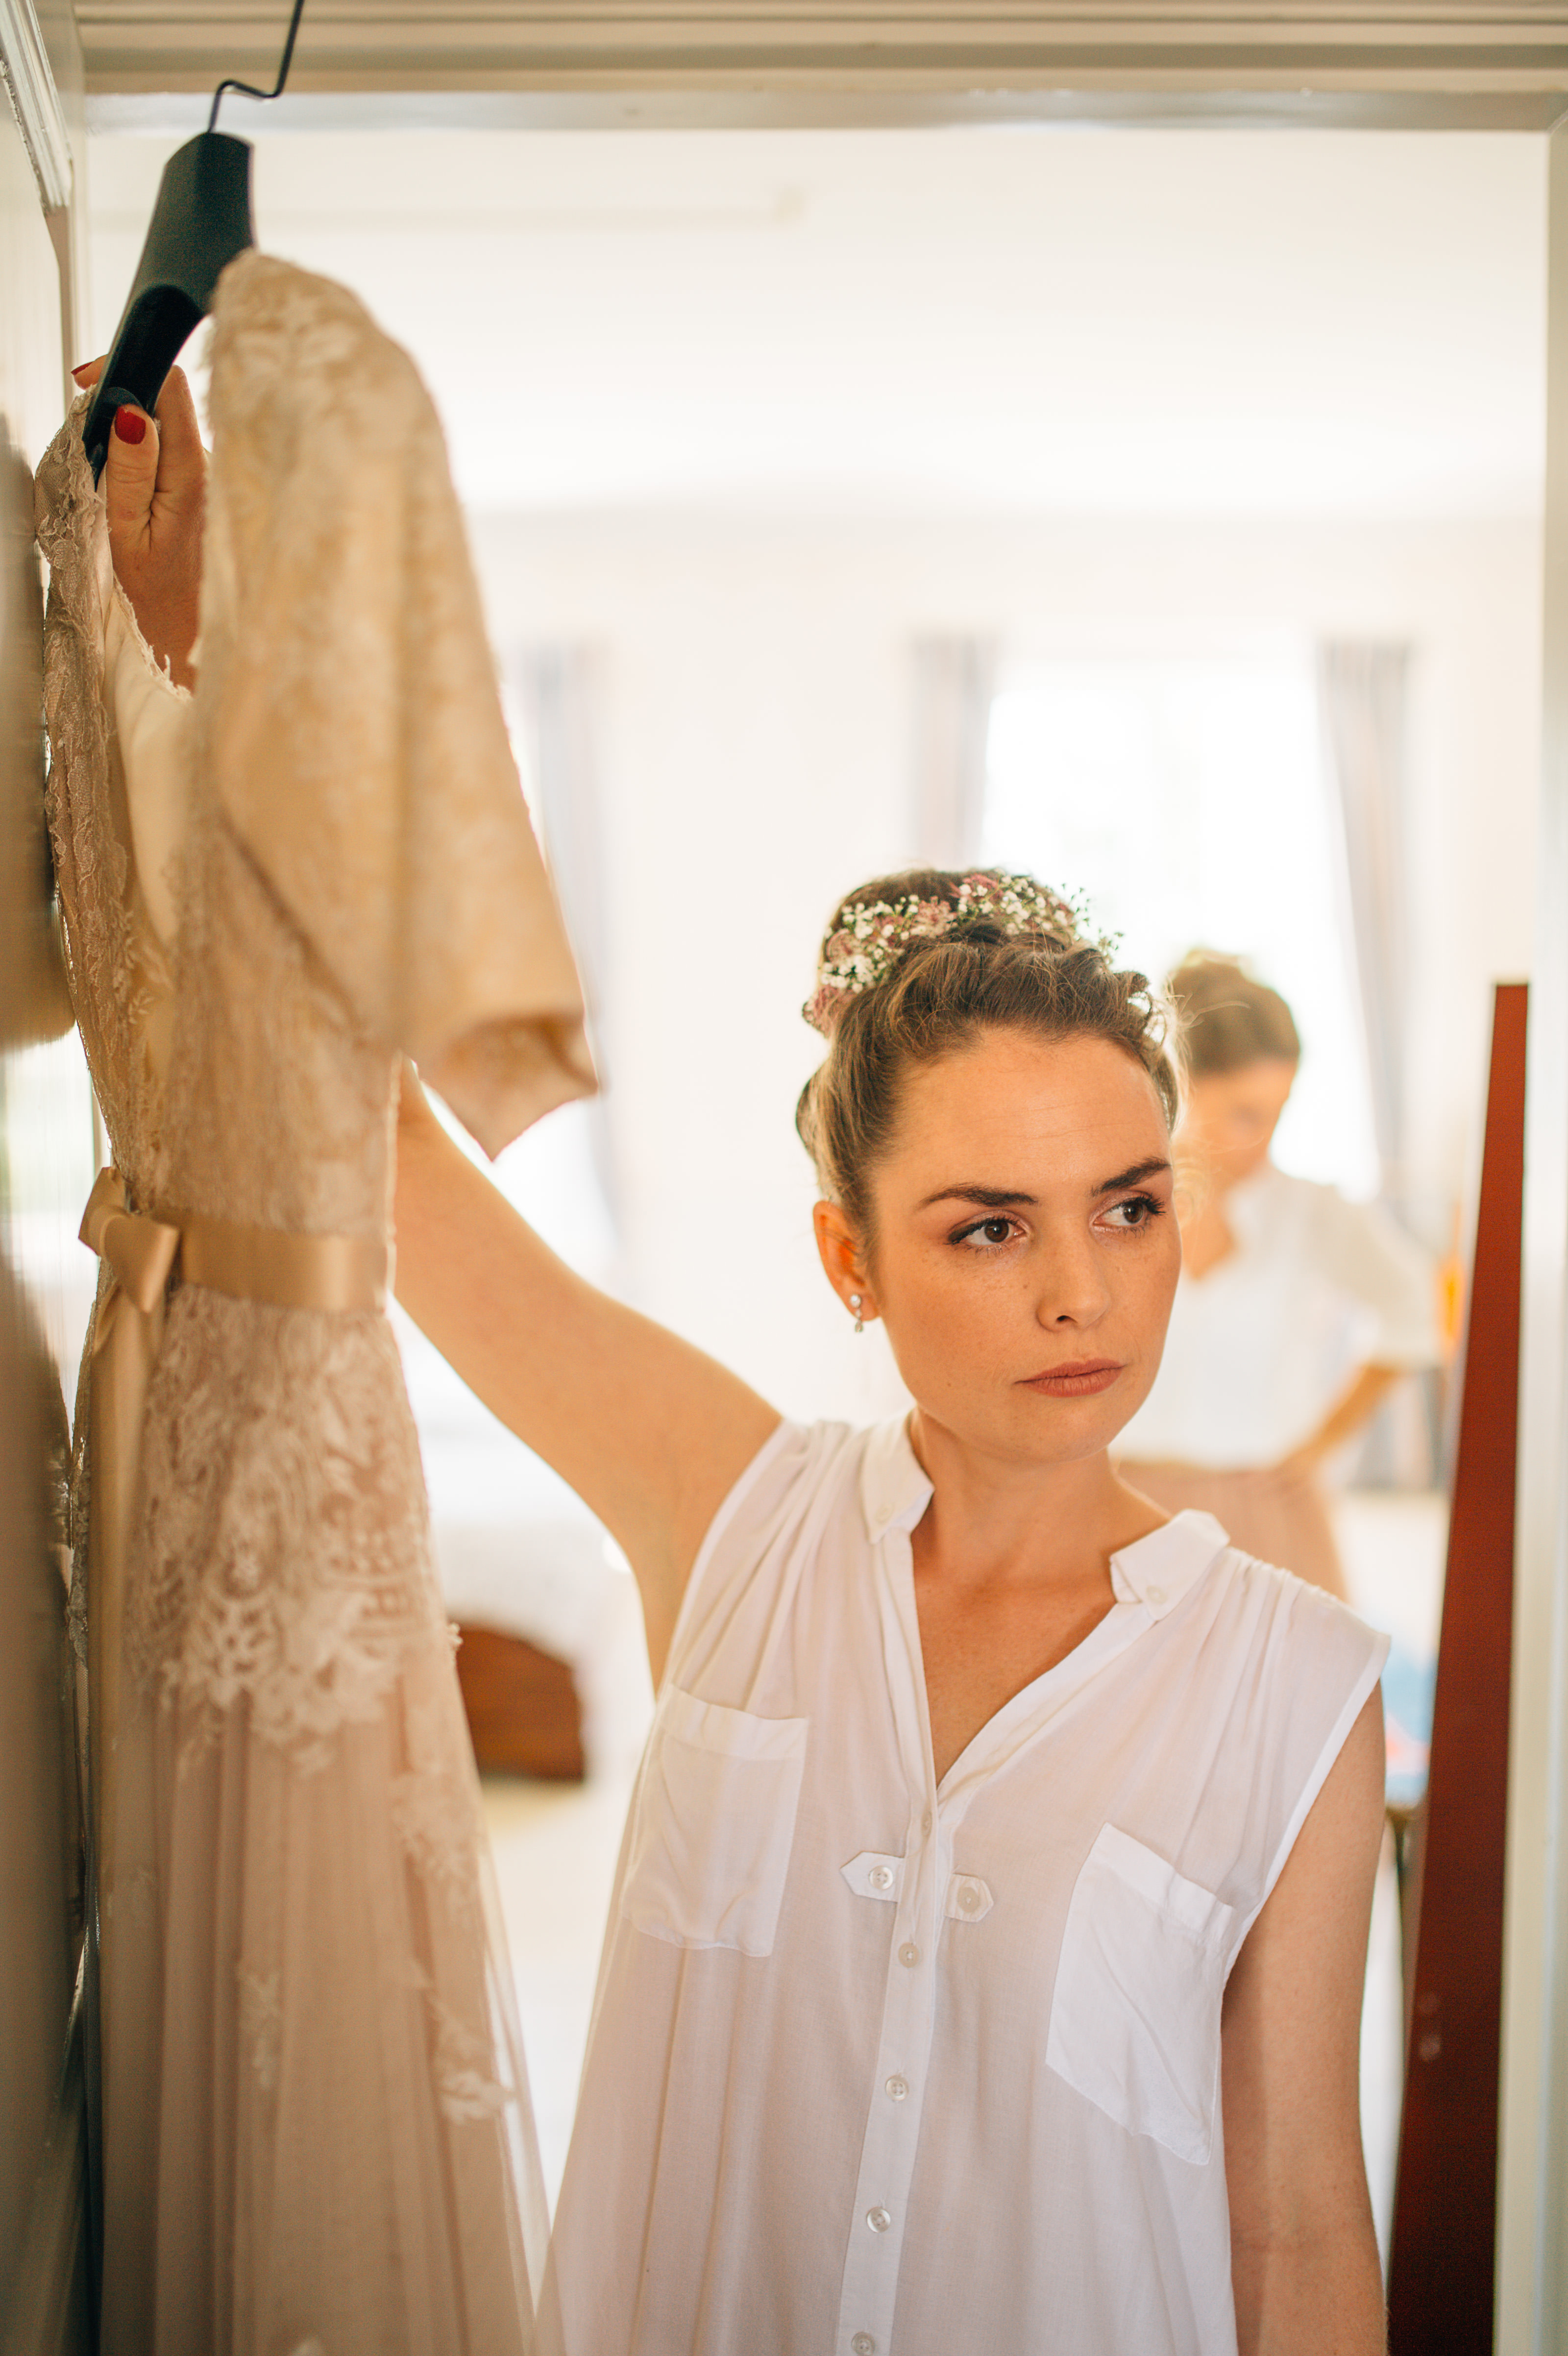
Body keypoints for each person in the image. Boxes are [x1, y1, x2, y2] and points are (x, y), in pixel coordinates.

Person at [98, 394, 1385, 2349]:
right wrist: (213, 664)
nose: (1082, 1290)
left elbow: (1296, 2232)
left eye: (1125, 1203)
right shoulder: (731, 1506)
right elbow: (377, 1139)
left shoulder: (1292, 1689)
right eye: (984, 1223)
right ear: (844, 1259)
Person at [1118, 954, 1442, 1601]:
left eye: (1280, 1110)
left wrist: (1324, 1440)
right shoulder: (1110, 1211)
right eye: (1244, 1114)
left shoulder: (1313, 1212)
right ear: (1178, 1090)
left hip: (1266, 1515)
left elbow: (1418, 1310)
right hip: (1119, 1510)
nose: (1266, 1140)